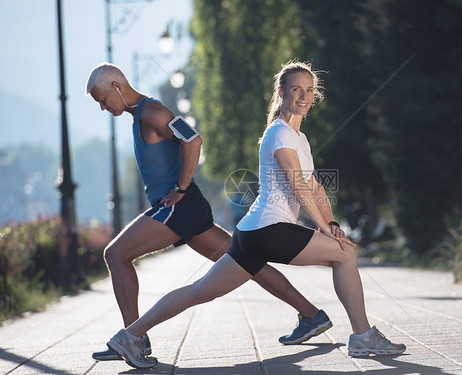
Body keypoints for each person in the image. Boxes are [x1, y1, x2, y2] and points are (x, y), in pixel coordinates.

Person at [104, 61, 406, 369]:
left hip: (251, 233)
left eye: (310, 91)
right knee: (344, 255)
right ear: (281, 93)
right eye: (296, 90)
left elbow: (314, 187)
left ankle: (131, 335)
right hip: (269, 230)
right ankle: (363, 335)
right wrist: (326, 232)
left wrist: (330, 223)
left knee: (201, 290)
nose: (304, 96)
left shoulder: (298, 138)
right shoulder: (279, 134)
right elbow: (298, 186)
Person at [85, 62, 333, 362]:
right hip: (187, 209)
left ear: (116, 87)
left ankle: (132, 338)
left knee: (115, 254)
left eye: (102, 99)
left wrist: (181, 186)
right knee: (246, 260)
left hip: (180, 208)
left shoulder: (152, 112)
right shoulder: (141, 115)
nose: (102, 107)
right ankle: (311, 315)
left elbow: (193, 139)